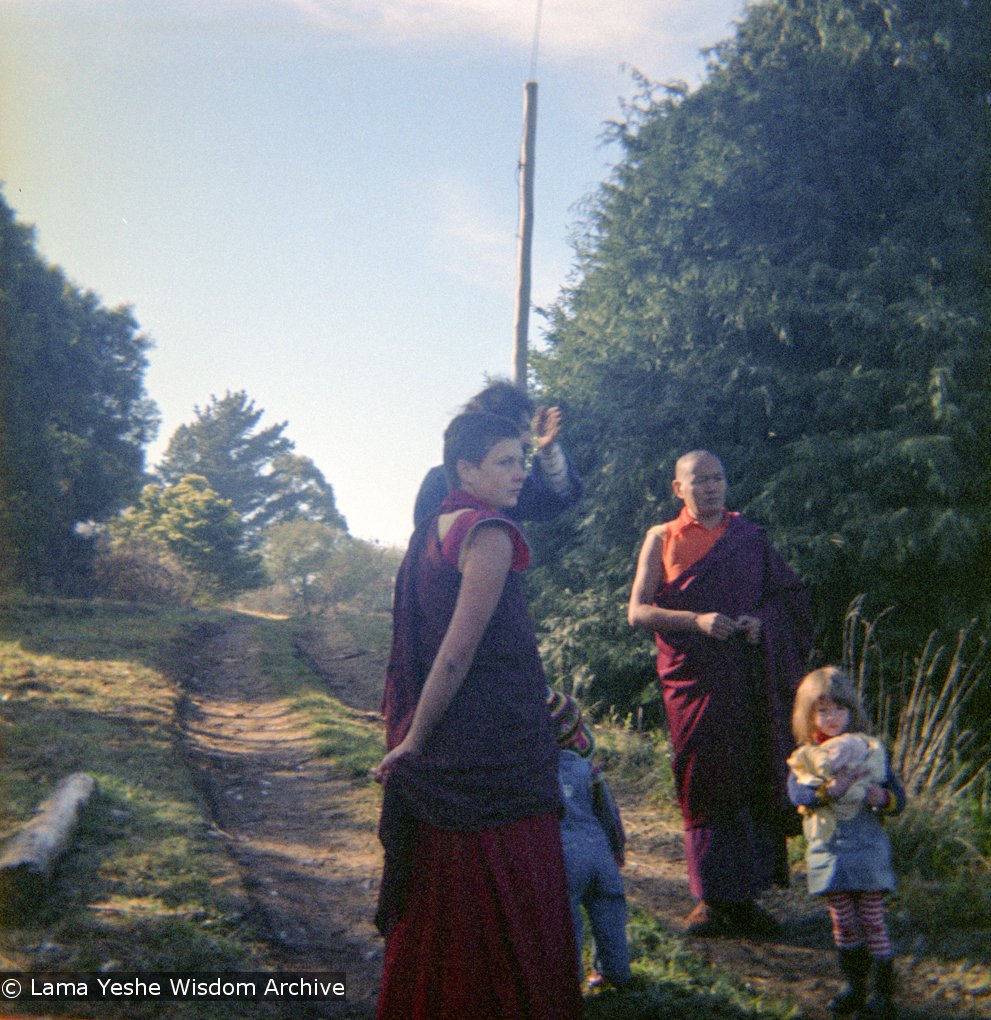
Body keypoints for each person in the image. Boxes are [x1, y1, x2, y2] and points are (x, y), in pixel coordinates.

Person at [374, 411, 582, 1020]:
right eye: (506, 462)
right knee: (509, 886)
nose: (521, 474)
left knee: (449, 892)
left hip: (457, 746)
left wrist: (418, 734)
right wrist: (415, 740)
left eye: (522, 459)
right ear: (465, 469)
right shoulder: (487, 532)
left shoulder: (431, 529)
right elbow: (458, 651)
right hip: (490, 747)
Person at [627, 450, 813, 938]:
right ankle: (710, 899)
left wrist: (760, 625)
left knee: (751, 772)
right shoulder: (661, 538)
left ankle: (748, 898)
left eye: (717, 478)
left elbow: (790, 599)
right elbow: (638, 613)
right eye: (698, 480)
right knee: (704, 777)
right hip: (693, 678)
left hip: (747, 677)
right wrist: (697, 622)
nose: (710, 488)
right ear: (678, 488)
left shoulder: (749, 537)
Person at [788, 667, 905, 1020]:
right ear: (808, 716)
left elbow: (898, 799)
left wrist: (880, 796)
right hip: (830, 850)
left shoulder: (869, 751)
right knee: (843, 919)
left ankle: (882, 994)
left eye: (839, 709)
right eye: (822, 710)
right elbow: (797, 794)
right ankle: (854, 985)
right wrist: (825, 792)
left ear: (852, 711)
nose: (832, 717)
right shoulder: (804, 758)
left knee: (872, 918)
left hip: (867, 848)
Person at [547, 688, 632, 993]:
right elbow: (608, 809)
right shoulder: (587, 768)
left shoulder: (536, 773)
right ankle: (616, 972)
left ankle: (567, 983)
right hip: (599, 852)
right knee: (610, 913)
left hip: (564, 859)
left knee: (566, 922)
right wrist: (617, 846)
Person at [413, 378, 584, 526]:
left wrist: (548, 451)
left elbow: (551, 501)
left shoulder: (502, 484)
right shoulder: (439, 483)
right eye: (523, 428)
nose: (528, 440)